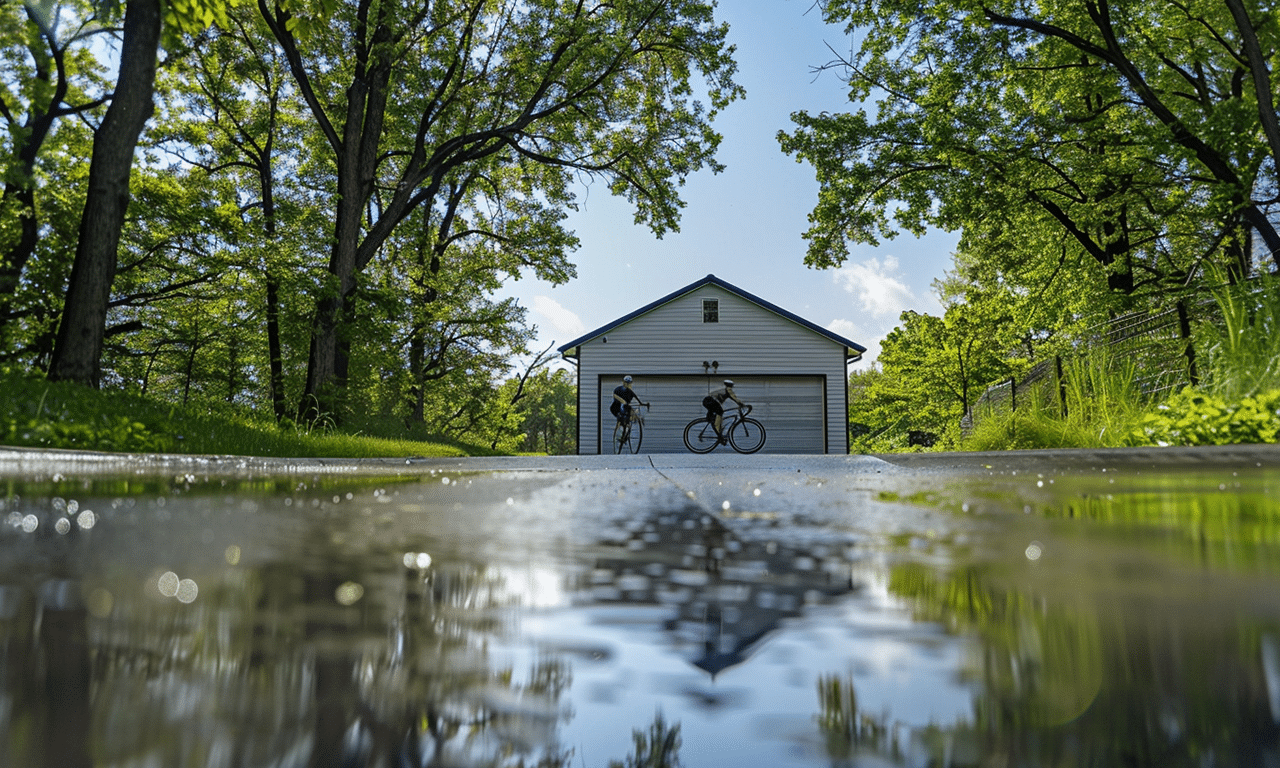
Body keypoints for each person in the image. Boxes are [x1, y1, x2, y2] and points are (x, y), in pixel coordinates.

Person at [702, 379, 745, 443]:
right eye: (731, 385)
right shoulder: (728, 390)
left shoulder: (725, 390)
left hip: (708, 401)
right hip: (710, 401)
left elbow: (733, 398)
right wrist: (741, 404)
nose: (732, 386)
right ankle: (718, 432)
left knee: (719, 414)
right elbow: (734, 397)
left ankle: (719, 432)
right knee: (720, 412)